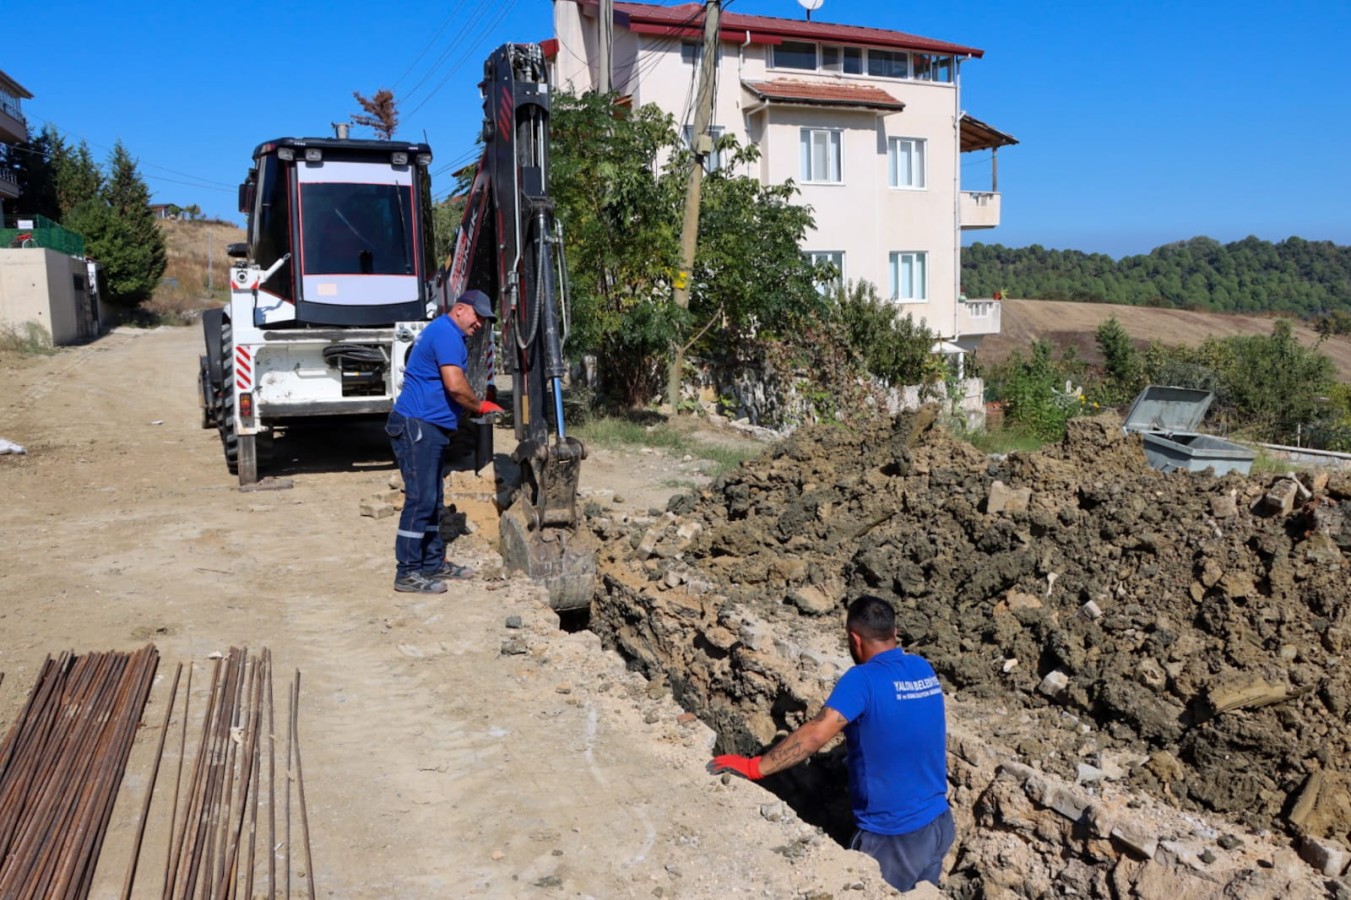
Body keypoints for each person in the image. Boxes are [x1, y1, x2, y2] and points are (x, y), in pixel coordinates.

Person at [709, 595, 953, 893]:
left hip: (895, 838)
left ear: (854, 639)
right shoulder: (921, 668)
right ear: (895, 632)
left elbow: (816, 733)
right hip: (939, 824)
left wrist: (755, 766)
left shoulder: (862, 679)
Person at [386, 290, 504, 593]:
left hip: (430, 427)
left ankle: (432, 563)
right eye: (477, 317)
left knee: (434, 498)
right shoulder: (446, 333)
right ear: (460, 309)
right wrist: (479, 406)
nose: (480, 324)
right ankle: (408, 572)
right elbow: (454, 384)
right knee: (421, 499)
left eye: (484, 320)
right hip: (418, 426)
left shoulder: (449, 334)